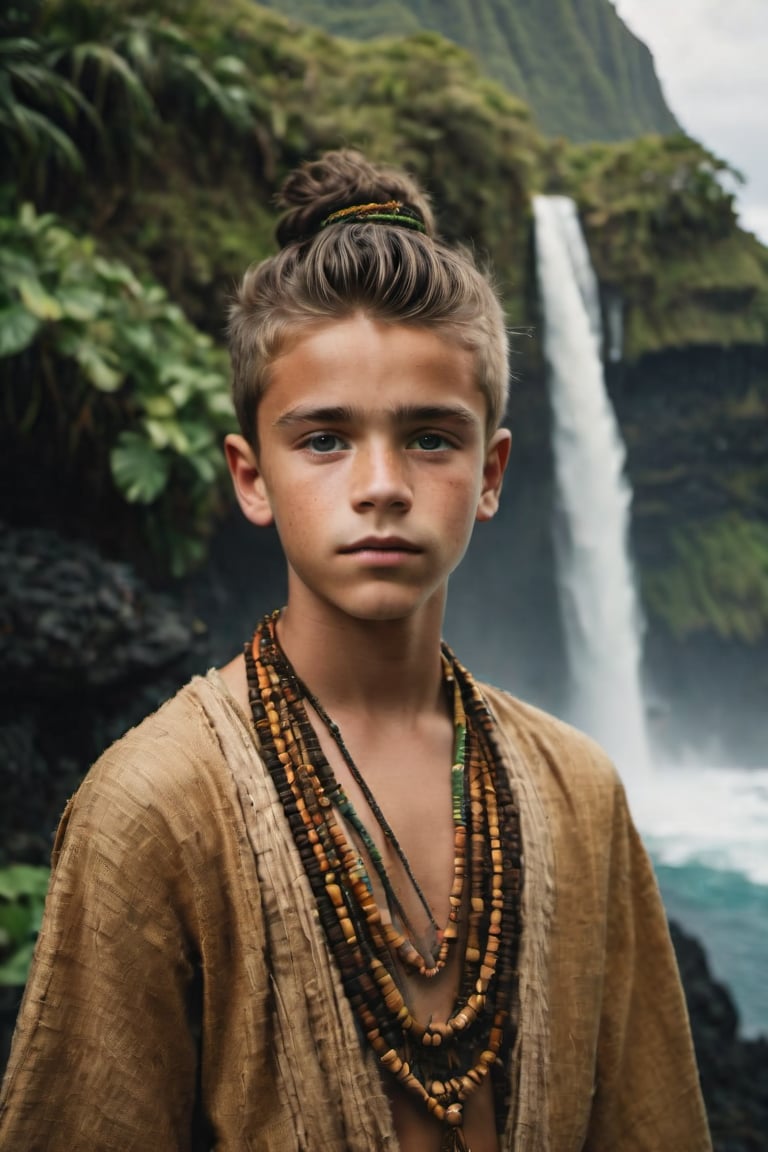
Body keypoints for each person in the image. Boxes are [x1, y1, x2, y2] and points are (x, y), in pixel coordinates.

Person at [0, 150, 711, 1152]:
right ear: (250, 476)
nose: (381, 484)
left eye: (430, 438)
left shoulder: (578, 795)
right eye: (325, 439)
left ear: (492, 470)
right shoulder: (158, 807)